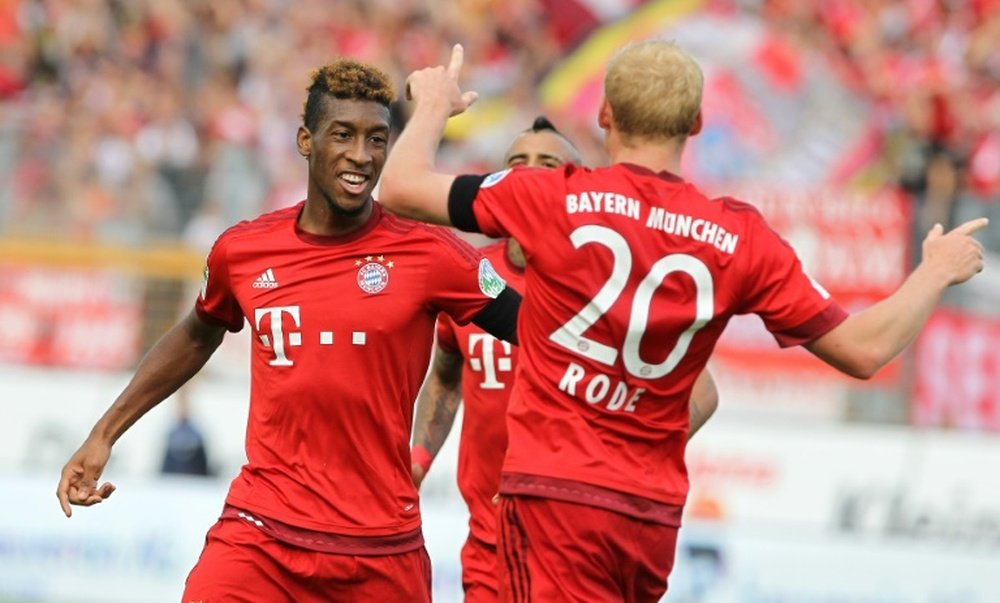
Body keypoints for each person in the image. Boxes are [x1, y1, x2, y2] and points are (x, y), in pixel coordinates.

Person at [378, 42, 988, 601]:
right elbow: (864, 349)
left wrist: (433, 105)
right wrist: (933, 271)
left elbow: (401, 186)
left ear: (605, 116)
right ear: (696, 123)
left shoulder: (552, 197)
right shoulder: (739, 235)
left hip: (551, 497)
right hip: (649, 515)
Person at [56, 57, 521, 602]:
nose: (361, 155)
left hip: (381, 551)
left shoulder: (432, 254)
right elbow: (197, 333)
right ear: (306, 140)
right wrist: (103, 433)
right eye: (342, 135)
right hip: (261, 536)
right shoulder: (245, 249)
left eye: (377, 139)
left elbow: (544, 332)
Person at [410, 116, 719, 602]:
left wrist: (617, 462)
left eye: (547, 163)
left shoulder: (606, 282)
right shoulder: (468, 273)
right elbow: (446, 379)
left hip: (575, 540)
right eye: (516, 162)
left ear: (576, 184)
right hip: (489, 542)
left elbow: (701, 394)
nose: (529, 172)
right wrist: (418, 461)